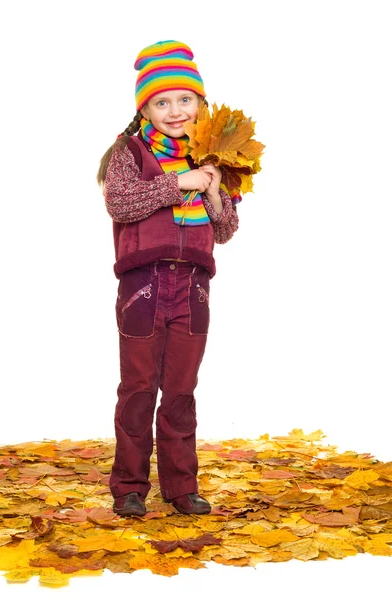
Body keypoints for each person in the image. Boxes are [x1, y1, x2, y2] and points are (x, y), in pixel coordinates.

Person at [97, 40, 239, 517]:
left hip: (193, 288)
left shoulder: (213, 156)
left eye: (184, 100)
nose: (174, 110)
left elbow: (224, 231)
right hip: (144, 284)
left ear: (201, 102)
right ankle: (129, 486)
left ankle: (182, 487)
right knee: (138, 387)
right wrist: (177, 183)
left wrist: (216, 192)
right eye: (161, 102)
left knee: (181, 388)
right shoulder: (130, 152)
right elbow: (121, 203)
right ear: (145, 108)